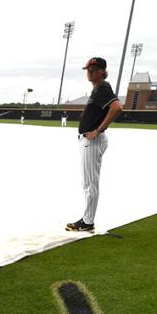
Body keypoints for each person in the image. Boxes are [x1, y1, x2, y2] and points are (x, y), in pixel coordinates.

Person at [66, 57, 122, 232]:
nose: (90, 72)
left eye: (94, 69)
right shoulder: (97, 90)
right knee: (88, 182)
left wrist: (98, 130)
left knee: (90, 183)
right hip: (89, 140)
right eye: (88, 69)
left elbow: (117, 107)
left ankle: (88, 222)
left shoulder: (103, 88)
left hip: (93, 140)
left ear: (102, 72)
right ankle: (87, 219)